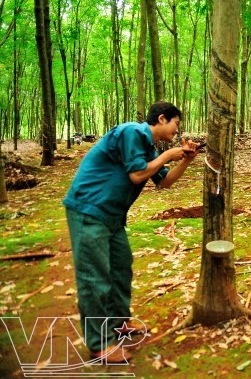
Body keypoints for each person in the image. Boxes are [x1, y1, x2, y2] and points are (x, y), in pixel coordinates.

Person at [63, 102, 200, 362]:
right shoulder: (131, 132)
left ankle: (118, 323)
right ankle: (99, 344)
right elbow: (138, 175)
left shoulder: (147, 147)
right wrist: (168, 155)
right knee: (96, 277)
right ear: (162, 118)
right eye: (176, 123)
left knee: (121, 267)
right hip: (89, 210)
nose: (177, 129)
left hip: (112, 216)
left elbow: (165, 182)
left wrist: (185, 161)